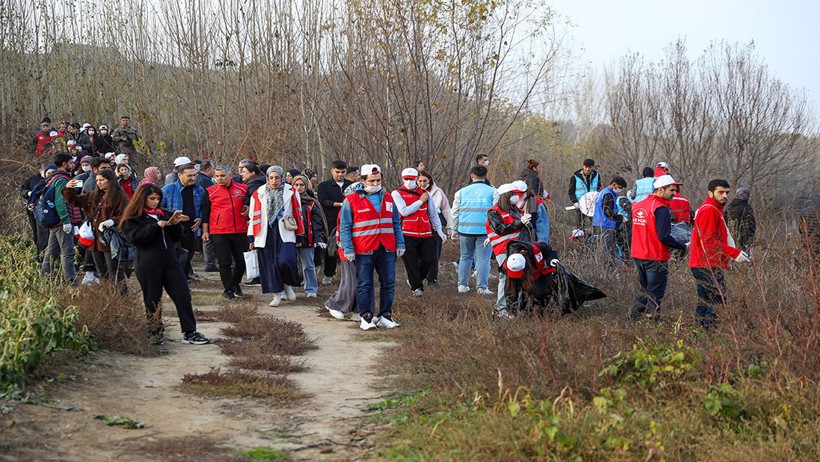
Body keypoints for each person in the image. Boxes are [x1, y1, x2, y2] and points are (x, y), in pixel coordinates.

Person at [120, 184, 210, 346]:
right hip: (147, 262)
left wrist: (175, 224)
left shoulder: (165, 213)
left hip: (170, 260)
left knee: (182, 294)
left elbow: (178, 237)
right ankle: (155, 332)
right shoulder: (133, 218)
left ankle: (190, 332)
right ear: (142, 199)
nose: (155, 202)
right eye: (151, 199)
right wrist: (156, 226)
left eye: (157, 199)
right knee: (152, 298)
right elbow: (135, 239)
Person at [339, 164, 405, 330]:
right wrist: (348, 248)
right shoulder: (351, 200)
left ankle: (385, 315)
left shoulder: (389, 198)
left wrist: (400, 243)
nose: (376, 184)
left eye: (378, 180)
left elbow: (396, 222)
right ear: (363, 181)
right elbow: (345, 226)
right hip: (364, 249)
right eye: (372, 181)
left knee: (389, 283)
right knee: (364, 284)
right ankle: (366, 317)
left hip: (387, 247)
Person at [689, 179, 750, 329]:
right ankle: (711, 334)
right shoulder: (709, 210)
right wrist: (734, 253)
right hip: (706, 264)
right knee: (718, 301)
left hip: (703, 263)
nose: (725, 196)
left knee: (705, 300)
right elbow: (708, 241)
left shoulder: (714, 209)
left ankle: (699, 333)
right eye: (720, 192)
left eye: (727, 193)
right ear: (710, 193)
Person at [629, 175, 689, 321]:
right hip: (655, 257)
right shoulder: (661, 209)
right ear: (660, 189)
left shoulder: (638, 205)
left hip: (638, 255)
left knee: (644, 289)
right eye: (672, 190)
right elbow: (664, 236)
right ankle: (653, 325)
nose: (674, 194)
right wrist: (683, 247)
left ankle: (633, 319)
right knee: (655, 293)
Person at [248, 166, 304, 306]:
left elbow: (298, 213)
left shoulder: (291, 191)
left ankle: (287, 285)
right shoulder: (258, 193)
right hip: (264, 232)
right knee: (270, 265)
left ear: (282, 178)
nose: (274, 181)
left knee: (286, 261)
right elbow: (252, 216)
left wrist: (300, 235)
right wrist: (251, 236)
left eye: (277, 178)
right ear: (267, 178)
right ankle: (276, 294)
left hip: (285, 231)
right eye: (271, 178)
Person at [63, 169, 130, 284]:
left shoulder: (119, 196)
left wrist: (113, 221)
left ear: (110, 181)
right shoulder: (93, 195)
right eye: (97, 180)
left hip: (110, 240)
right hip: (95, 241)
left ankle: (122, 298)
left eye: (102, 180)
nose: (99, 182)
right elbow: (75, 201)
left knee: (115, 272)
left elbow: (126, 214)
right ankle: (108, 298)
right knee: (103, 273)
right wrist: (68, 189)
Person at [391, 168, 445, 297]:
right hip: (407, 233)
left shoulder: (425, 193)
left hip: (425, 232)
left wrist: (439, 231)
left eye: (412, 179)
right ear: (402, 179)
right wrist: (420, 201)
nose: (409, 181)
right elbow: (404, 211)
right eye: (406, 179)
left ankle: (414, 279)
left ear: (416, 179)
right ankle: (417, 288)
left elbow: (432, 214)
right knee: (411, 262)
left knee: (431, 259)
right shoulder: (397, 193)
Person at [202, 166, 249, 300]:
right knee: (224, 262)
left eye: (222, 176)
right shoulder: (210, 191)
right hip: (219, 231)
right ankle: (228, 290)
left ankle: (235, 283)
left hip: (240, 230)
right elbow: (205, 212)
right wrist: (205, 231)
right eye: (216, 176)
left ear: (230, 175)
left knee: (241, 262)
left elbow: (252, 203)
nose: (219, 178)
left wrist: (248, 207)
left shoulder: (242, 189)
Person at [451, 165, 497, 294]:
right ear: (486, 176)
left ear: (471, 176)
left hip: (465, 230)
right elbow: (496, 213)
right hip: (485, 231)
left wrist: (454, 231)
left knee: (465, 257)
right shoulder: (493, 192)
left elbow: (455, 212)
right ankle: (482, 287)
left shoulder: (461, 192)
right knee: (483, 259)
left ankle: (462, 285)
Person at [487, 182, 530, 315]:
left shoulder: (515, 210)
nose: (516, 197)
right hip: (503, 249)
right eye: (513, 194)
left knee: (520, 277)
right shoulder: (494, 211)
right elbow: (500, 229)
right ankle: (501, 309)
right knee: (504, 278)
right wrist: (520, 222)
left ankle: (516, 308)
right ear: (506, 196)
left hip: (516, 247)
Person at [40, 154, 81, 286]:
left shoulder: (53, 178)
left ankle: (45, 280)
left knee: (52, 252)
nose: (73, 165)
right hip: (61, 222)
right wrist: (66, 221)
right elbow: (60, 201)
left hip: (55, 222)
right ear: (64, 164)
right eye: (70, 162)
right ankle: (72, 284)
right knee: (68, 252)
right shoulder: (62, 180)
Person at [161, 164, 205, 280]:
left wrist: (200, 218)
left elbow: (203, 207)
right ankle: (175, 278)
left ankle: (185, 276)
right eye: (189, 176)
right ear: (180, 175)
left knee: (188, 253)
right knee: (177, 255)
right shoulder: (167, 190)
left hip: (192, 229)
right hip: (174, 229)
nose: (193, 178)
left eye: (194, 175)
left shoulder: (199, 189)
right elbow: (160, 209)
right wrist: (172, 218)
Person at [317, 160, 353, 285]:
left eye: (343, 172)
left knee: (349, 247)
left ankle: (349, 275)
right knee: (331, 248)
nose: (340, 175)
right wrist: (340, 204)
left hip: (349, 220)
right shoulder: (324, 185)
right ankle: (328, 274)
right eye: (337, 172)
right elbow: (323, 201)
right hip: (331, 220)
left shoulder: (351, 185)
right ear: (332, 171)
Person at [503, 240, 559, 315]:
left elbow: (550, 252)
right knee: (511, 289)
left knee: (541, 292)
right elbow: (509, 293)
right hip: (526, 274)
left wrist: (552, 259)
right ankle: (517, 313)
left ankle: (546, 313)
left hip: (539, 272)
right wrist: (512, 312)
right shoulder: (507, 263)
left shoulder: (537, 249)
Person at [292, 174, 326, 298]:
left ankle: (311, 289)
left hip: (308, 238)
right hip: (290, 238)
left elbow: (317, 223)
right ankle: (288, 288)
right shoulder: (287, 200)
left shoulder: (311, 203)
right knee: (290, 264)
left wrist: (318, 238)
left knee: (308, 265)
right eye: (296, 185)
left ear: (306, 186)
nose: (299, 188)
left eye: (302, 185)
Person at [417, 169, 452, 284]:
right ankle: (417, 277)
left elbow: (446, 209)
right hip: (419, 226)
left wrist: (450, 227)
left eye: (425, 181)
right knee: (420, 254)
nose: (422, 184)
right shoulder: (413, 192)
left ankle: (432, 279)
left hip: (435, 226)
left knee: (434, 254)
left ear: (430, 180)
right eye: (420, 181)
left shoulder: (438, 192)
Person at [593, 177, 628, 267]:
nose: (620, 190)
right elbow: (608, 212)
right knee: (604, 249)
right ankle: (598, 269)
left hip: (598, 223)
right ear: (614, 184)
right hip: (606, 225)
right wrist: (620, 218)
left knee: (612, 247)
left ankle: (621, 266)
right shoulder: (608, 194)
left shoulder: (602, 192)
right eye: (619, 187)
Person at [20, 163, 52, 256]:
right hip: (33, 210)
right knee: (37, 233)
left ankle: (45, 252)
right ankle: (39, 252)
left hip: (47, 211)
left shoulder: (52, 181)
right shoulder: (33, 180)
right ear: (41, 171)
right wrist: (29, 193)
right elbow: (22, 190)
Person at [568, 158, 601, 233]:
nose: (588, 169)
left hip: (593, 205)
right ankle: (581, 241)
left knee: (596, 224)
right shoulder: (575, 177)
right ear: (583, 166)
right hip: (580, 205)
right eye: (586, 167)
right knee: (580, 225)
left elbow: (599, 189)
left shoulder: (597, 176)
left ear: (592, 167)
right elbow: (571, 191)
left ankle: (595, 240)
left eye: (590, 167)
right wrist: (575, 202)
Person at [725, 188, 756, 252]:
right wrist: (750, 238)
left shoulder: (730, 206)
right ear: (745, 196)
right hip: (742, 238)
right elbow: (750, 224)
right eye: (748, 195)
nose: (749, 197)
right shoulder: (746, 207)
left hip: (729, 236)